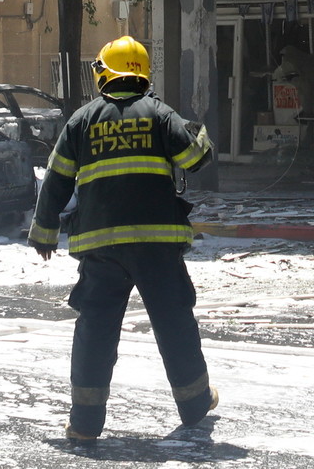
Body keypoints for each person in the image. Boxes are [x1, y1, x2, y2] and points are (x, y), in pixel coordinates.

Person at [27, 35, 218, 442]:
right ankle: (195, 404)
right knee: (174, 323)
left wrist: (44, 232)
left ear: (105, 74)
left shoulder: (81, 121)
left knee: (95, 331)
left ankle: (84, 425)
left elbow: (56, 179)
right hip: (156, 246)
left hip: (101, 249)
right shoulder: (159, 114)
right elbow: (197, 158)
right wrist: (191, 126)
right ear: (143, 74)